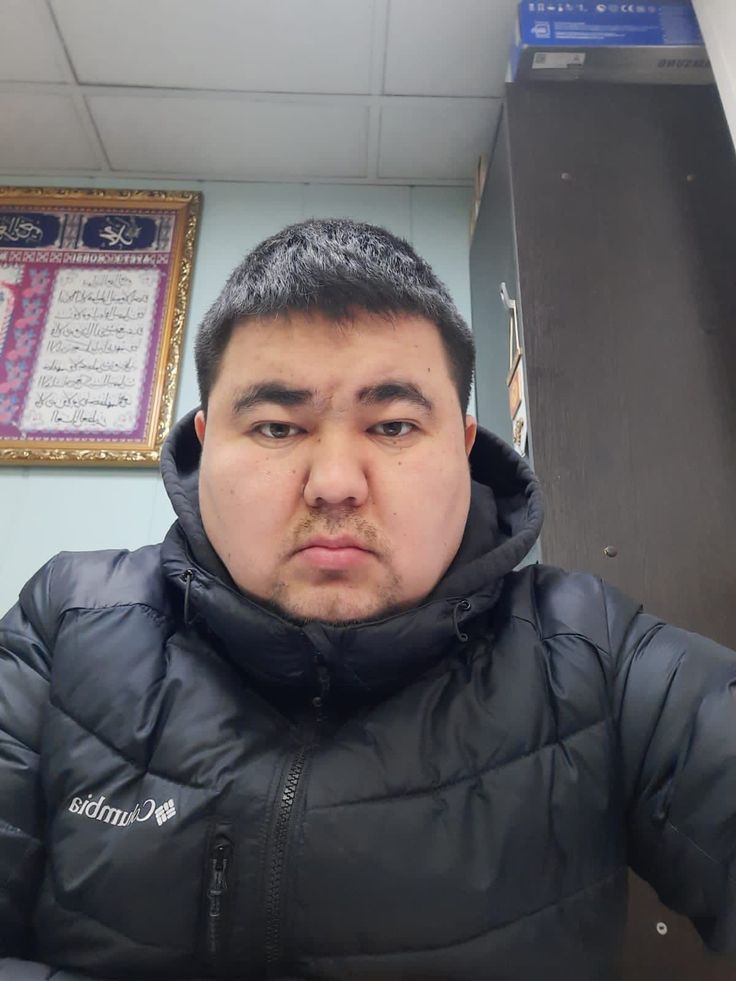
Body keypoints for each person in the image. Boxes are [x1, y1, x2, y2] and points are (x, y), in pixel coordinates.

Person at [0, 218, 734, 981]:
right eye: (277, 427)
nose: (335, 483)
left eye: (392, 425)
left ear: (464, 446)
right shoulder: (70, 621)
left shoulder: (591, 652)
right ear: (206, 440)